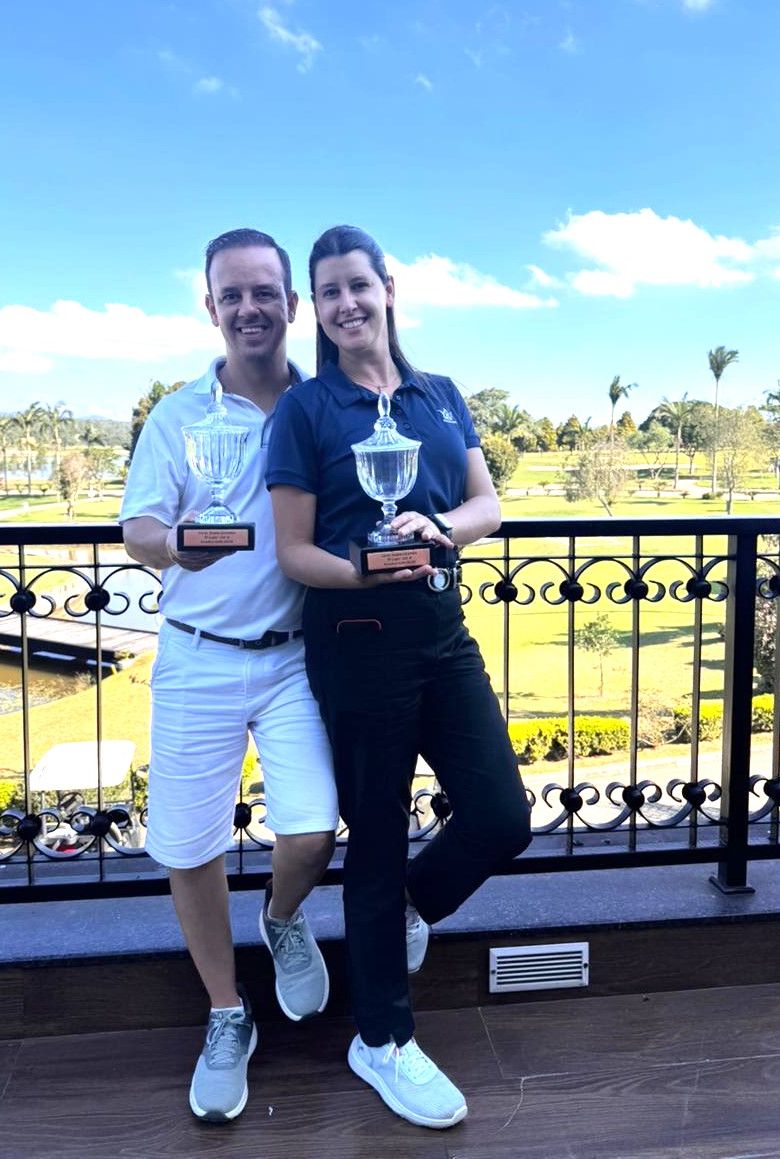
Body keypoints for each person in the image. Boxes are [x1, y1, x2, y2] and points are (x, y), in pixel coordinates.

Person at [266, 224, 532, 1130]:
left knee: (501, 815)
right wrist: (368, 569)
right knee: (374, 840)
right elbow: (295, 551)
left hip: (443, 636)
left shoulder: (438, 394)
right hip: (357, 642)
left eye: (358, 284)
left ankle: (407, 907)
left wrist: (441, 531)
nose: (346, 304)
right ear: (316, 308)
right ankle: (379, 1038)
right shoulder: (307, 409)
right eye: (329, 291)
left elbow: (488, 503)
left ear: (389, 287)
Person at [120, 228, 338, 1123]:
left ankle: (281, 917)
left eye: (264, 291)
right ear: (211, 307)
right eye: (232, 294)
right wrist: (178, 546)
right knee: (189, 846)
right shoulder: (177, 416)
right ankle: (225, 1011)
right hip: (198, 653)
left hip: (293, 659)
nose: (250, 308)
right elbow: (138, 528)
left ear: (292, 303)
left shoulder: (322, 406)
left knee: (312, 828)